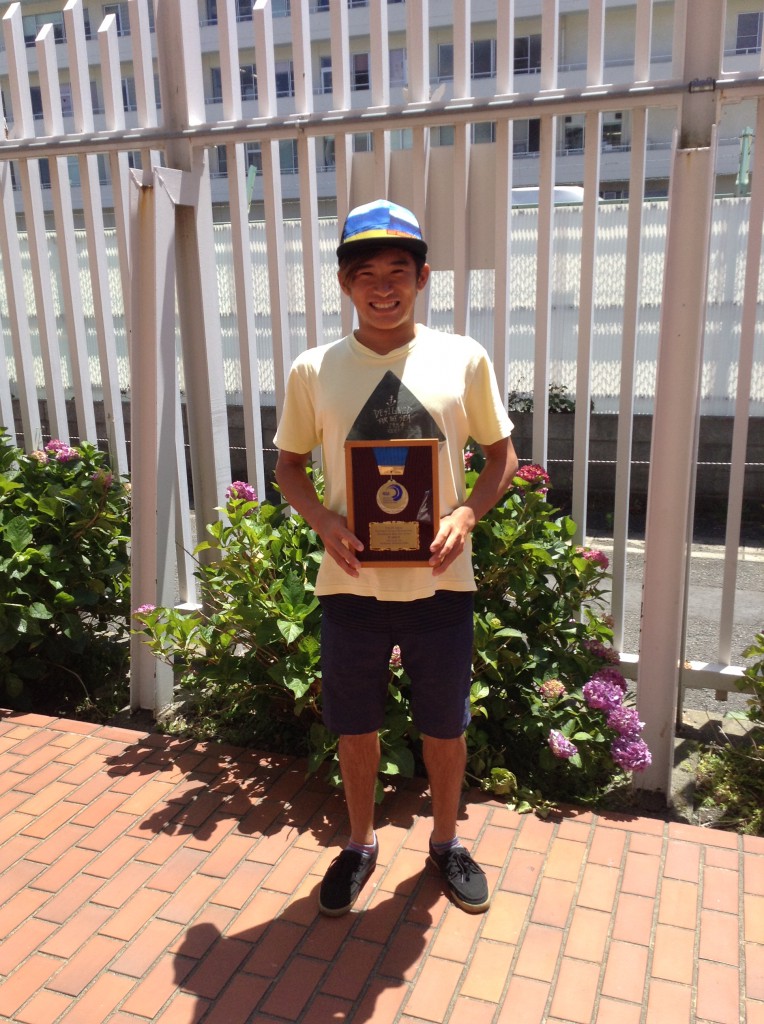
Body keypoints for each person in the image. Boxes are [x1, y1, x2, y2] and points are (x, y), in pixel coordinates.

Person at [274, 198, 518, 916]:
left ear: (423, 277)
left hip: (441, 582)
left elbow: (501, 457)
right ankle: (359, 843)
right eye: (367, 274)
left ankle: (446, 842)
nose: (383, 287)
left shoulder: (462, 358)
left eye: (398, 271)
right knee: (355, 724)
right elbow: (288, 467)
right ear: (345, 283)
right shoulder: (315, 369)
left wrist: (466, 514)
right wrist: (323, 520)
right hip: (351, 584)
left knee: (445, 723)